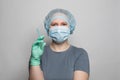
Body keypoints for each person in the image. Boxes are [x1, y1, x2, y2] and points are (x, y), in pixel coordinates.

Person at [28, 8, 90, 80]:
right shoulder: (38, 53)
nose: (59, 28)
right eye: (54, 24)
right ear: (48, 28)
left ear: (70, 27)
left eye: (63, 24)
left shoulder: (80, 54)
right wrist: (35, 59)